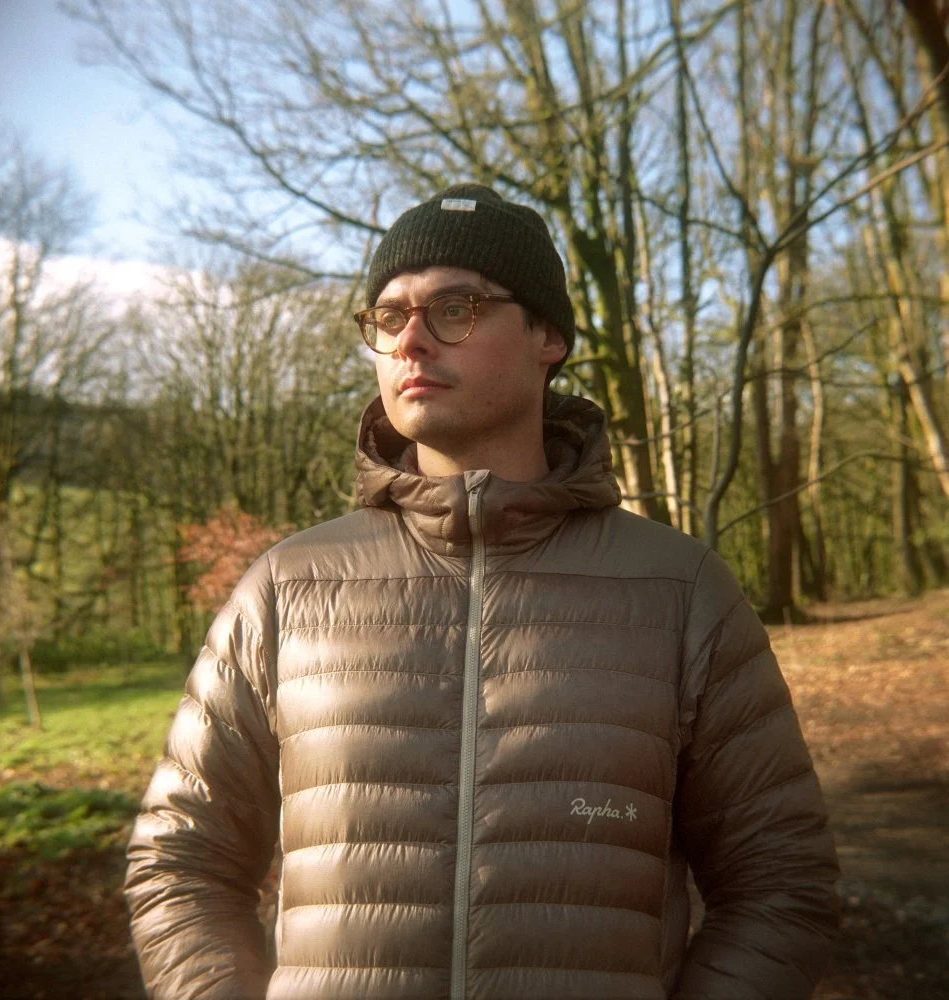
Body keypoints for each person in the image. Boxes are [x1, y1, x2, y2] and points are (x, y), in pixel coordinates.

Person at [125, 184, 840, 1000]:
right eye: (388, 316)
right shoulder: (288, 590)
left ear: (548, 337)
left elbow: (783, 882)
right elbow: (179, 859)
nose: (411, 340)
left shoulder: (680, 593)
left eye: (455, 308)